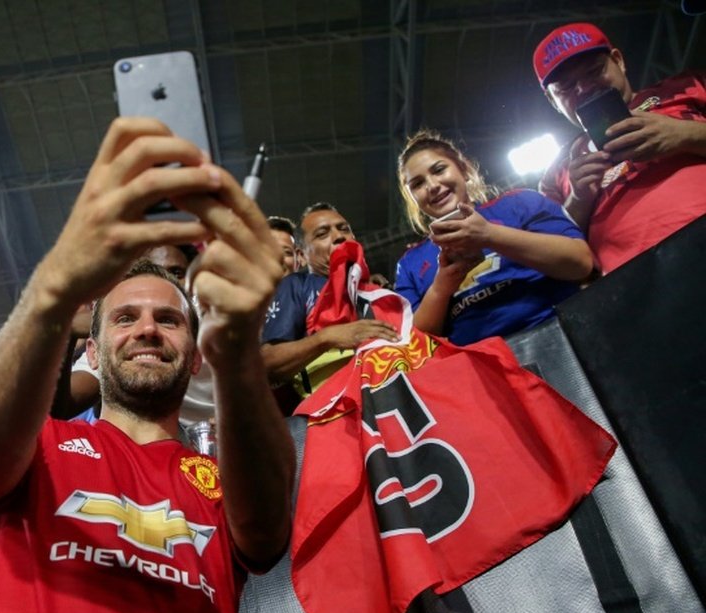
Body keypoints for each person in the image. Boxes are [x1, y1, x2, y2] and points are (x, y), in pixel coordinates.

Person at [0, 117, 295, 613]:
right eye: (125, 317)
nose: (148, 329)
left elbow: (265, 536)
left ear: (197, 351)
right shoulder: (38, 442)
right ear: (90, 349)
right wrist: (56, 286)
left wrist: (237, 353)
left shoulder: (220, 475)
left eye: (169, 319)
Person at [534, 22, 706, 274]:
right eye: (566, 87)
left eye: (594, 71)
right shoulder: (558, 171)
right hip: (635, 288)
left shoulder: (687, 87)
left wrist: (686, 134)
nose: (584, 88)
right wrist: (579, 199)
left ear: (618, 60)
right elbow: (551, 257)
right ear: (552, 100)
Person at [394, 130, 593, 346]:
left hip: (560, 338)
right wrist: (442, 287)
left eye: (439, 170)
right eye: (417, 184)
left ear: (464, 169)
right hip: (478, 366)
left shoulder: (520, 203)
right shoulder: (409, 263)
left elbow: (580, 263)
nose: (432, 186)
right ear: (412, 198)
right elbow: (415, 344)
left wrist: (490, 235)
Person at [54, 243, 215, 428]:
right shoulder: (117, 337)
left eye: (176, 273)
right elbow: (60, 408)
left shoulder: (220, 320)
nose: (163, 283)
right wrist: (66, 333)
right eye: (153, 273)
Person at [261, 202, 399, 398]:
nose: (339, 236)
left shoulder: (376, 291)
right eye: (322, 234)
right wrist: (327, 337)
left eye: (344, 229)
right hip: (330, 414)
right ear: (302, 255)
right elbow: (267, 364)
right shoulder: (297, 286)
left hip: (390, 404)